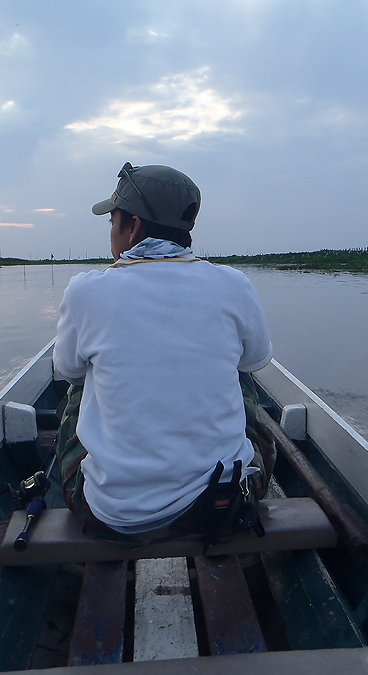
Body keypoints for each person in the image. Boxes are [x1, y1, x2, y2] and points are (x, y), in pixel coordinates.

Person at [52, 162, 275, 545]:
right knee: (242, 376)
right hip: (222, 505)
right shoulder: (234, 285)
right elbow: (254, 361)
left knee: (80, 384)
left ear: (134, 227)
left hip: (110, 515)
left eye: (113, 222)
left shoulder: (85, 291)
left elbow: (67, 370)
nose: (112, 234)